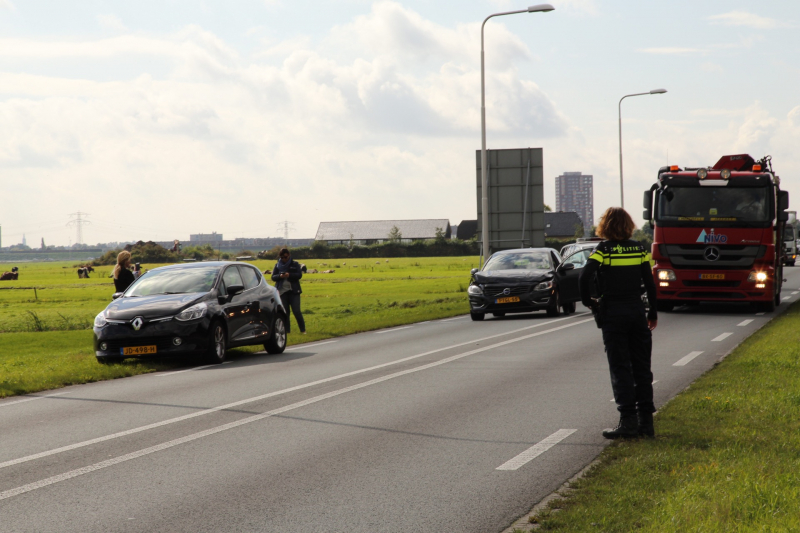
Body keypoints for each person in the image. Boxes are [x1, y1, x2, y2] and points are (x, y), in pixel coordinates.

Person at [579, 207, 658, 439]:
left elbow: (584, 277)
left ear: (606, 226)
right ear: (628, 225)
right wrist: (652, 311)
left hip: (613, 312)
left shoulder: (604, 250)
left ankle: (628, 422)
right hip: (636, 311)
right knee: (642, 367)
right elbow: (650, 283)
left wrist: (590, 303)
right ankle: (647, 423)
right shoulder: (639, 249)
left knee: (620, 367)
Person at [270, 248, 306, 334]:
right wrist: (280, 276)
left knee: (296, 311)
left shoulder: (295, 264)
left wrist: (289, 275)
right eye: (282, 257)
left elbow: (299, 275)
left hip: (294, 291)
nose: (284, 259)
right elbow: (273, 277)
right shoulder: (277, 265)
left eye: (285, 257)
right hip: (282, 292)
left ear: (289, 255)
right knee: (285, 313)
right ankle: (287, 331)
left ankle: (303, 330)